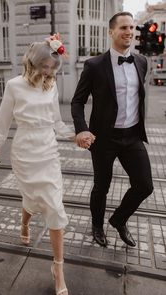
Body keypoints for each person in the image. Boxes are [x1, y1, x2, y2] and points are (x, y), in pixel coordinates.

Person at [0, 34, 74, 295]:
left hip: (48, 150)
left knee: (54, 206)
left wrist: (75, 137)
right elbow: (3, 123)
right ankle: (24, 223)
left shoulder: (50, 85)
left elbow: (57, 121)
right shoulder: (14, 85)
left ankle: (58, 268)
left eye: (52, 67)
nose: (48, 72)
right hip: (24, 151)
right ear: (33, 62)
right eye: (45, 66)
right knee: (31, 198)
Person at [71, 12, 153, 248]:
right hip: (104, 138)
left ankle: (118, 219)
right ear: (111, 32)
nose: (129, 32)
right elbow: (77, 101)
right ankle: (97, 226)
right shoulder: (94, 65)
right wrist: (82, 129)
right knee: (101, 186)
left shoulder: (141, 61)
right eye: (124, 28)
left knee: (145, 185)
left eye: (132, 28)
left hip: (132, 136)